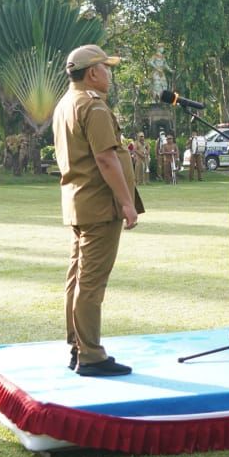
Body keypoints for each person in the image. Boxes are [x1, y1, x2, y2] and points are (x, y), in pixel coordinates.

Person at [52, 44, 142, 377]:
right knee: (91, 283)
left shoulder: (66, 104)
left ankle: (78, 346)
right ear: (92, 73)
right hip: (100, 205)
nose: (110, 73)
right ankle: (90, 355)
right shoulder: (94, 107)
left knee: (77, 278)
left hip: (79, 202)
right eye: (106, 67)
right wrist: (126, 202)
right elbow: (105, 158)